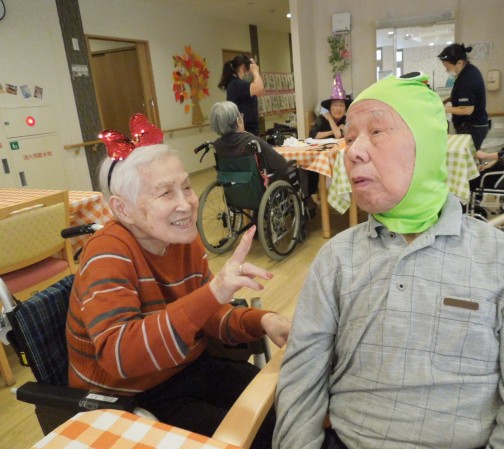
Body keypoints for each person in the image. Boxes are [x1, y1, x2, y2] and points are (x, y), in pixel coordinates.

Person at [273, 74, 504, 449]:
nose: (353, 152)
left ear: (427, 146)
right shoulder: (336, 259)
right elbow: (301, 382)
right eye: (350, 137)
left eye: (376, 132)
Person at [66, 114, 290, 449]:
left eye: (186, 187)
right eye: (165, 193)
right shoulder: (107, 253)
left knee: (289, 408)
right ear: (122, 209)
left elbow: (208, 316)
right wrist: (214, 293)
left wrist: (264, 321)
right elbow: (121, 357)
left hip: (188, 368)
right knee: (259, 437)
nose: (186, 203)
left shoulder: (182, 241)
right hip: (130, 398)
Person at [210, 101, 318, 215]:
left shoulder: (217, 145)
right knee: (298, 168)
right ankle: (307, 203)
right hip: (259, 189)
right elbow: (280, 163)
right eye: (240, 115)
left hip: (235, 193)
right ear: (238, 121)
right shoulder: (251, 141)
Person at [438, 43, 489, 150]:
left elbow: (467, 110)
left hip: (473, 127)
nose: (446, 70)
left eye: (447, 67)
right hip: (474, 125)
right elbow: (461, 95)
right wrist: (446, 100)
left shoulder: (467, 79)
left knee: (468, 155)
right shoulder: (469, 71)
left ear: (459, 63)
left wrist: (442, 108)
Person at [218, 54, 264, 136]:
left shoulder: (237, 84)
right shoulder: (237, 84)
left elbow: (260, 92)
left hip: (248, 130)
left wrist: (255, 72)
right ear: (243, 67)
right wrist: (255, 71)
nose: (249, 74)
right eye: (249, 70)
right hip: (245, 131)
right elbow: (259, 87)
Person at [309, 75, 352, 139]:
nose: (338, 108)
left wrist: (331, 120)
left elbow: (338, 135)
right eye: (335, 105)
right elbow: (312, 135)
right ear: (329, 108)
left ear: (345, 109)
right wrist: (330, 119)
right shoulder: (322, 118)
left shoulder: (346, 120)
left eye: (341, 105)